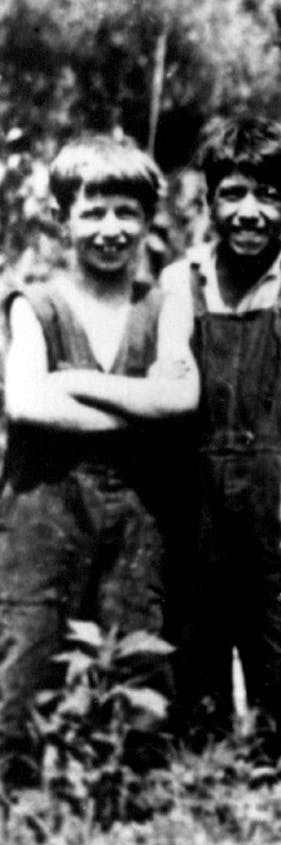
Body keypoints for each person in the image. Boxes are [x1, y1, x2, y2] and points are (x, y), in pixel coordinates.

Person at [0, 136, 199, 785]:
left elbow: (182, 397)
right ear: (63, 218)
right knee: (32, 645)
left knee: (135, 650)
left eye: (126, 212)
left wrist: (74, 382)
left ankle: (129, 802)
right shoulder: (35, 304)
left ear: (148, 221)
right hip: (44, 507)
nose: (111, 228)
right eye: (93, 211)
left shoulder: (164, 303)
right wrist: (142, 414)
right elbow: (28, 405)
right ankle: (21, 806)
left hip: (137, 512)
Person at [157, 117, 281, 757]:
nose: (248, 212)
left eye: (267, 195)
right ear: (208, 198)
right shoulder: (179, 284)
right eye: (232, 193)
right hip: (197, 512)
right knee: (196, 674)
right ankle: (207, 816)